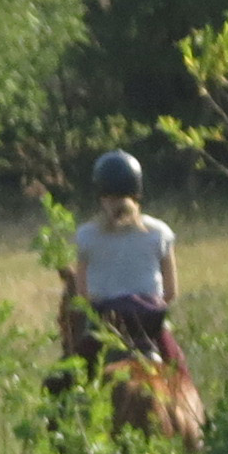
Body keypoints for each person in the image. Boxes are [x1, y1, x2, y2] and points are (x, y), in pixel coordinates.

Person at [74, 149, 183, 367]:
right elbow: (171, 292)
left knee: (63, 381)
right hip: (149, 327)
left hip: (105, 326)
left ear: (100, 192)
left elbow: (83, 295)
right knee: (179, 372)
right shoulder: (159, 232)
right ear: (137, 191)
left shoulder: (86, 235)